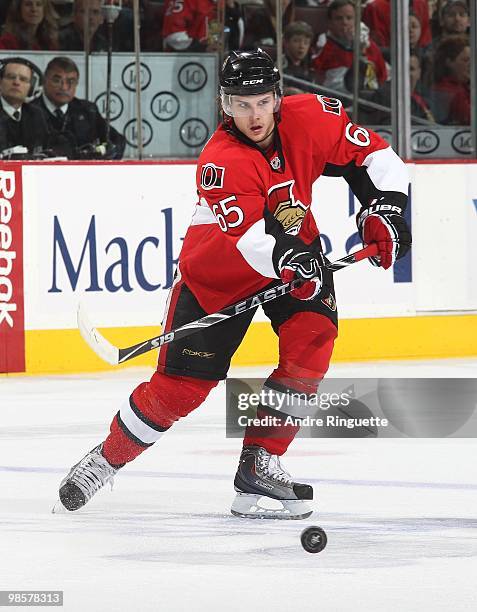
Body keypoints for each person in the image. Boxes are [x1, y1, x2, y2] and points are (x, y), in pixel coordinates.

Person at [56, 49, 411, 519]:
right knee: (181, 390)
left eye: (262, 102)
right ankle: (105, 460)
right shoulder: (219, 162)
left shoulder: (314, 117)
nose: (254, 114)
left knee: (313, 337)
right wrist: (290, 258)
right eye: (241, 104)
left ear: (278, 97)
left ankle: (261, 464)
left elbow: (377, 159)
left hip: (295, 254)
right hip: (220, 274)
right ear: (225, 104)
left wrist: (386, 211)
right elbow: (250, 239)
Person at [32, 56, 125, 159]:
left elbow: (117, 141)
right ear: (44, 80)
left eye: (70, 82)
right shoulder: (29, 111)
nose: (64, 87)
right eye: (57, 80)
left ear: (76, 84)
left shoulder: (88, 111)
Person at [313, 0, 387, 93]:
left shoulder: (369, 46)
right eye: (339, 18)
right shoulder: (324, 45)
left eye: (349, 18)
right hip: (335, 99)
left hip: (368, 99)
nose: (344, 22)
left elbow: (382, 76)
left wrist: (360, 48)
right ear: (330, 22)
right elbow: (316, 78)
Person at [0, 57, 50, 157]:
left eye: (23, 79)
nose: (16, 83)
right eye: (11, 77)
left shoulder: (36, 114)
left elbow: (48, 145)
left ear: (31, 88)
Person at [430, 34, 470, 125]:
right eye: (465, 60)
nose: (471, 64)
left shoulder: (464, 87)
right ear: (449, 62)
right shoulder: (451, 92)